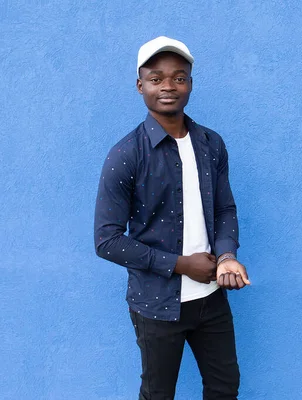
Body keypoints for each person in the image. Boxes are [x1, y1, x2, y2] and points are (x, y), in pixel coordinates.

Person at [94, 36, 250, 400]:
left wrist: (226, 256)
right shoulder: (125, 155)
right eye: (156, 78)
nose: (168, 86)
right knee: (158, 394)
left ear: (190, 84)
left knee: (225, 388)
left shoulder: (211, 144)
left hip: (212, 298)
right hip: (156, 304)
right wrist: (182, 265)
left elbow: (225, 208)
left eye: (179, 77)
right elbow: (106, 241)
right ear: (140, 85)